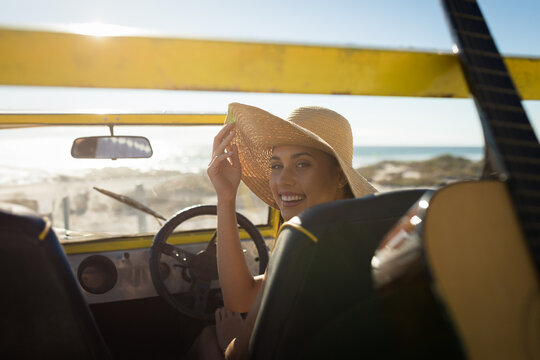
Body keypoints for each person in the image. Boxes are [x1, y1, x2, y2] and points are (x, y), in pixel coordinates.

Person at [186, 103, 376, 359]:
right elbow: (241, 297)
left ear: (340, 176)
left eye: (302, 164)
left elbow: (240, 354)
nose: (282, 180)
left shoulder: (305, 243)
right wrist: (226, 197)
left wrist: (234, 336)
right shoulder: (350, 229)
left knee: (207, 338)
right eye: (276, 165)